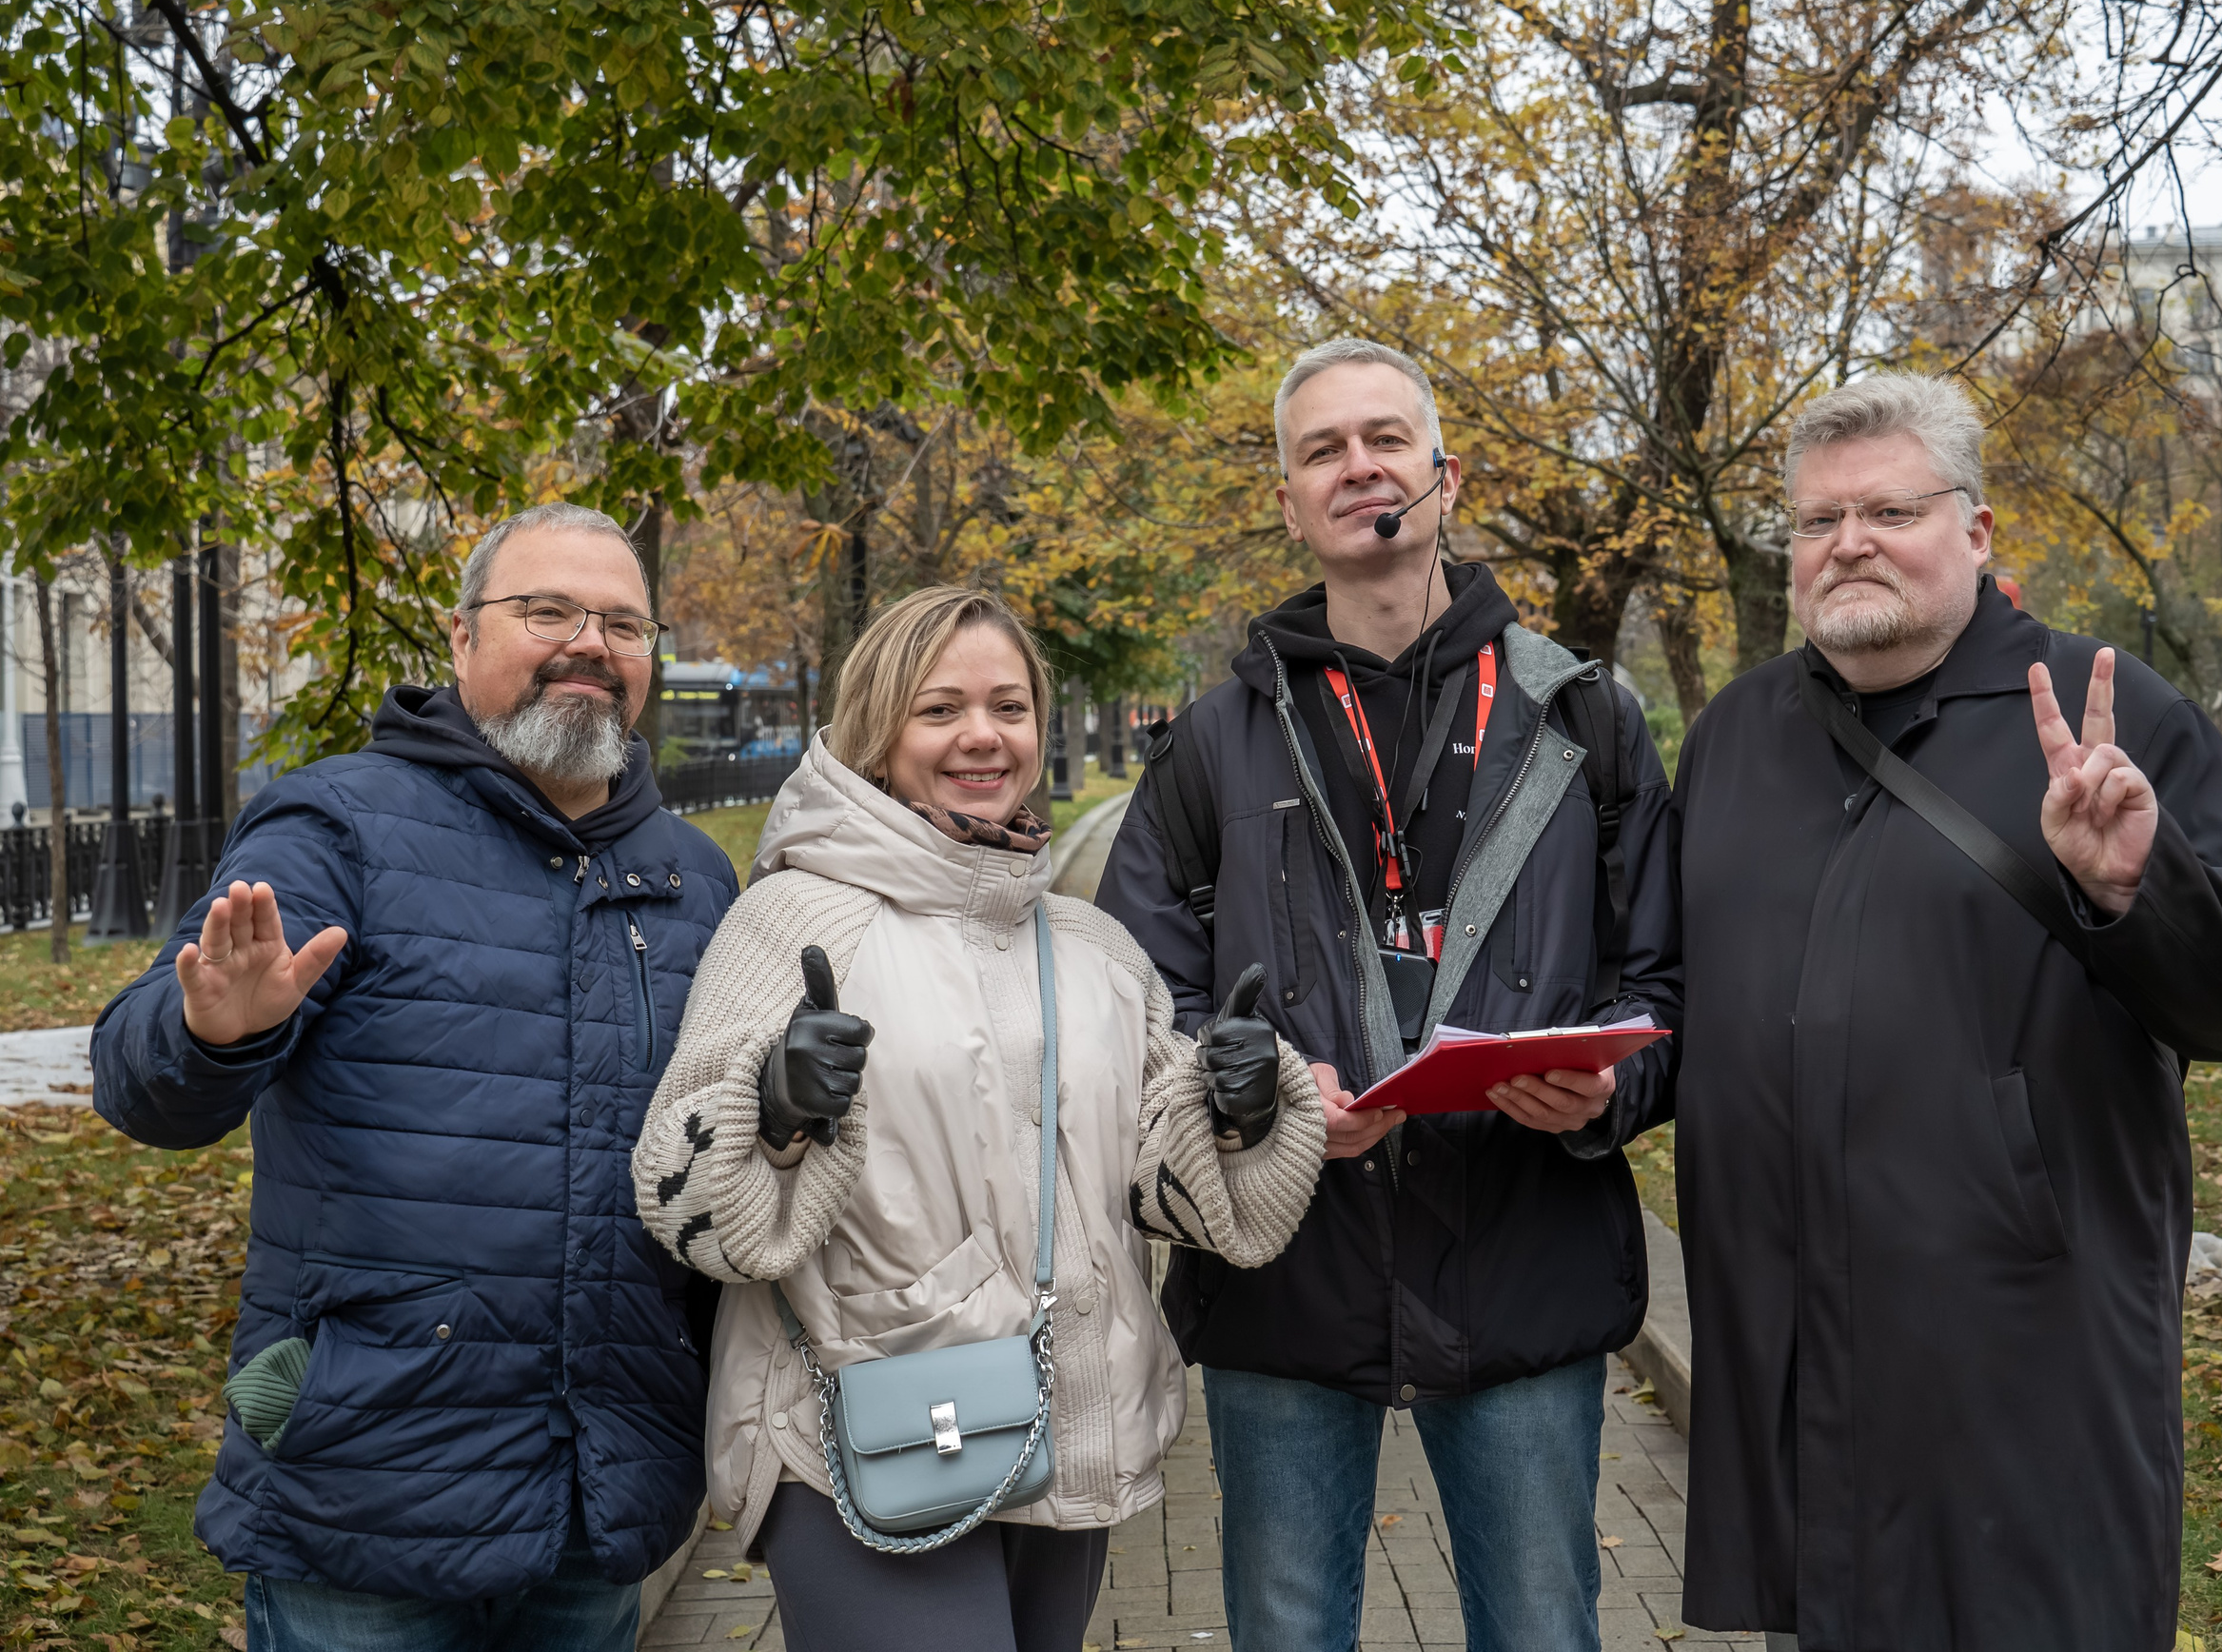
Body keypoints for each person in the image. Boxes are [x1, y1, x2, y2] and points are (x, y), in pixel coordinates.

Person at [1670, 374, 2222, 1652]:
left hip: (2020, 1346)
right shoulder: (1738, 737)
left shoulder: (2104, 708)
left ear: (1975, 532)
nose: (1847, 542)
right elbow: (1669, 995)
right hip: (1793, 1345)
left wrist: (2141, 886)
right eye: (1816, 521)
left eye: (1890, 510)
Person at [1093, 338, 1683, 1652]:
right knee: (1287, 1632)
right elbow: (1134, 998)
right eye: (1322, 449)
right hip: (1285, 1270)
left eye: (1385, 439)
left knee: (1543, 1630)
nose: (1359, 465)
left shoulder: (1585, 717)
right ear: (1292, 505)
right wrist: (1249, 1102)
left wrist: (1608, 1091)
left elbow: (1666, 976)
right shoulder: (1210, 743)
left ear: (1443, 477)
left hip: (1524, 1259)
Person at [89, 503, 740, 1651]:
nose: (588, 640)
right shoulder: (338, 821)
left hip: (600, 1492)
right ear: (458, 637)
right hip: (365, 1482)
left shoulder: (692, 876)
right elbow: (142, 1084)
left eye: (623, 621)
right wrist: (213, 1034)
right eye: (547, 609)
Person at [630, 584, 1327, 1652]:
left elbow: (1155, 1181)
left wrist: (1235, 1111)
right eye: (940, 707)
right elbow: (684, 1201)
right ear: (878, 727)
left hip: (1064, 1413)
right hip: (859, 1427)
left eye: (1008, 705)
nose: (980, 736)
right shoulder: (795, 918)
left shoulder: (1091, 946)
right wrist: (771, 1111)